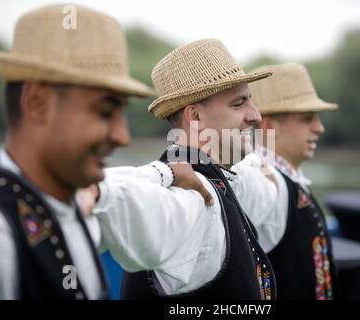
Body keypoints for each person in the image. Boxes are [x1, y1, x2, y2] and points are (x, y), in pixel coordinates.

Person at [0, 4, 210, 300]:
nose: (123, 137)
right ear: (36, 103)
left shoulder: (68, 207)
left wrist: (167, 171)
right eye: (104, 111)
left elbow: (115, 184)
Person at [88, 38, 290, 300]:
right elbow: (100, 195)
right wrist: (165, 173)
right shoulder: (192, 198)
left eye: (250, 101)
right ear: (194, 117)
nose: (256, 116)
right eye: (238, 103)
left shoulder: (221, 183)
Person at [245, 63, 340, 299]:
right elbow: (249, 185)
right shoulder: (264, 180)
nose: (319, 128)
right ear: (268, 126)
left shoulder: (287, 179)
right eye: (307, 119)